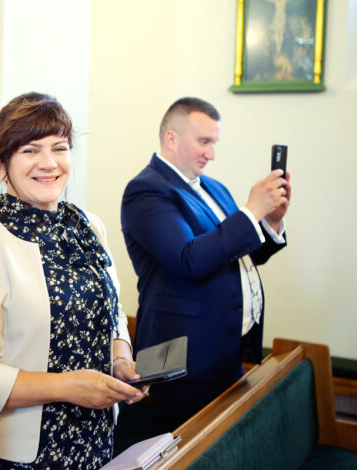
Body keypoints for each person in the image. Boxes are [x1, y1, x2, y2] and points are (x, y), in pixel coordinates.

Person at [0, 92, 147, 470]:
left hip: (93, 438)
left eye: (59, 148)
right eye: (30, 150)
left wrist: (121, 360)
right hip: (14, 452)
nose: (49, 163)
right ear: (1, 164)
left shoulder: (88, 226)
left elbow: (112, 312)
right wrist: (66, 387)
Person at [120, 97, 290, 435]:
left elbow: (242, 253)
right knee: (181, 446)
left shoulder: (215, 188)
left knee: (221, 444)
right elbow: (190, 258)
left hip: (222, 349)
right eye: (204, 141)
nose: (211, 153)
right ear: (171, 138)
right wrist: (251, 212)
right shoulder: (146, 190)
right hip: (182, 357)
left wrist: (270, 221)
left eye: (214, 143)